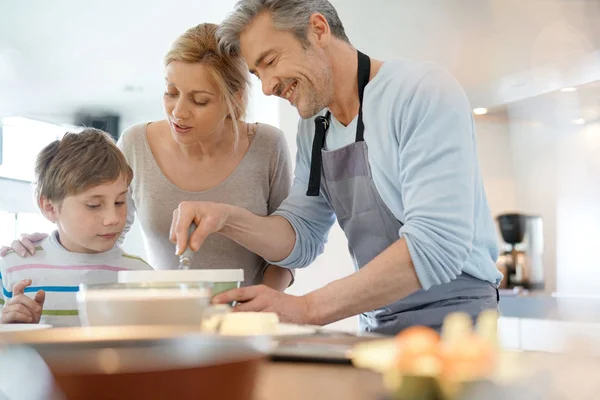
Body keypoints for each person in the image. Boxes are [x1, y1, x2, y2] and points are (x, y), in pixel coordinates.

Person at [170, 0, 503, 334]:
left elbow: (436, 244)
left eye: (270, 61)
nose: (269, 87)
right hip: (377, 323)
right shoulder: (314, 127)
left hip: (458, 322)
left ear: (318, 30)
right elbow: (301, 237)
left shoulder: (420, 92)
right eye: (258, 75)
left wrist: (305, 309)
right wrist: (226, 219)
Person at [3, 23, 294, 290]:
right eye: (170, 92)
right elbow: (105, 226)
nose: (178, 112)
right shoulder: (135, 143)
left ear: (237, 98)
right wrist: (49, 245)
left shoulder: (268, 145)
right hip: (165, 316)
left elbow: (290, 247)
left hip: (248, 318)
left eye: (199, 100)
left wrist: (263, 304)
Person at [0, 129, 152, 327]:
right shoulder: (11, 268)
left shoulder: (143, 276)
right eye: (94, 205)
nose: (112, 219)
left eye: (120, 202)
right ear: (50, 207)